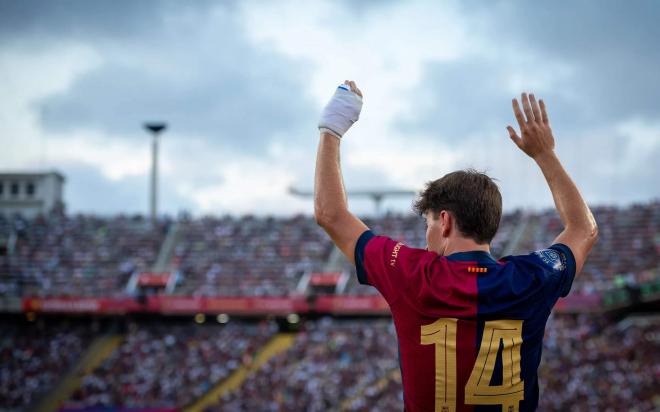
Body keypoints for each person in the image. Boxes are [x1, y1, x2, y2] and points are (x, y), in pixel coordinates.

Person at [314, 80, 598, 412]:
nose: (427, 236)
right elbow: (584, 229)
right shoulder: (533, 278)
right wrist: (545, 154)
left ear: (445, 221)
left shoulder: (412, 274)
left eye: (429, 224)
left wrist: (331, 128)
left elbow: (330, 214)